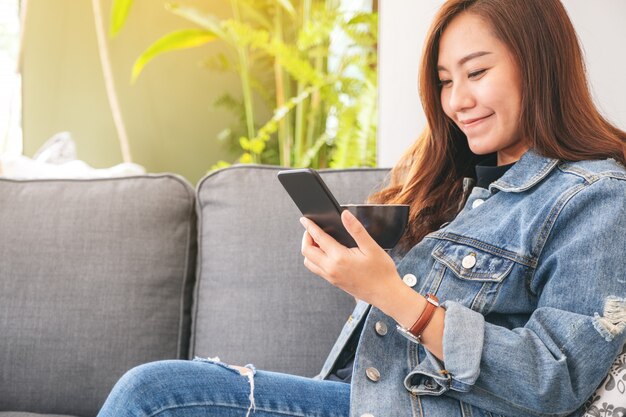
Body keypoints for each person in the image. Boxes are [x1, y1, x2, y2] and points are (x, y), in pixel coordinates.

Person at [97, 0, 626, 416]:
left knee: (156, 394)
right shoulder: (460, 188)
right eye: (445, 81)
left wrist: (393, 295)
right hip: (359, 397)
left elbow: (555, 376)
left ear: (538, 63)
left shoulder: (595, 196)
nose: (457, 100)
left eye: (477, 72)